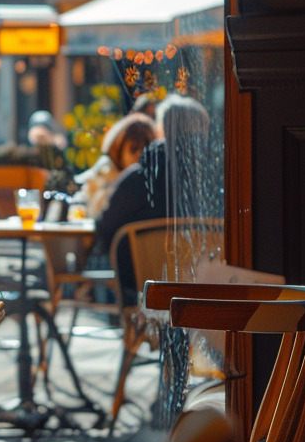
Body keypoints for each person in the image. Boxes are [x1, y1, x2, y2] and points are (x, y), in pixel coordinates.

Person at [92, 94, 219, 305]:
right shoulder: (217, 181)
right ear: (204, 131)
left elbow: (104, 230)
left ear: (161, 132)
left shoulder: (140, 178)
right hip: (208, 292)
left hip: (144, 293)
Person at [74, 112, 157, 218]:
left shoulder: (154, 182)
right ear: (118, 148)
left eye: (146, 150)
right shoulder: (104, 173)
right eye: (134, 149)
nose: (139, 155)